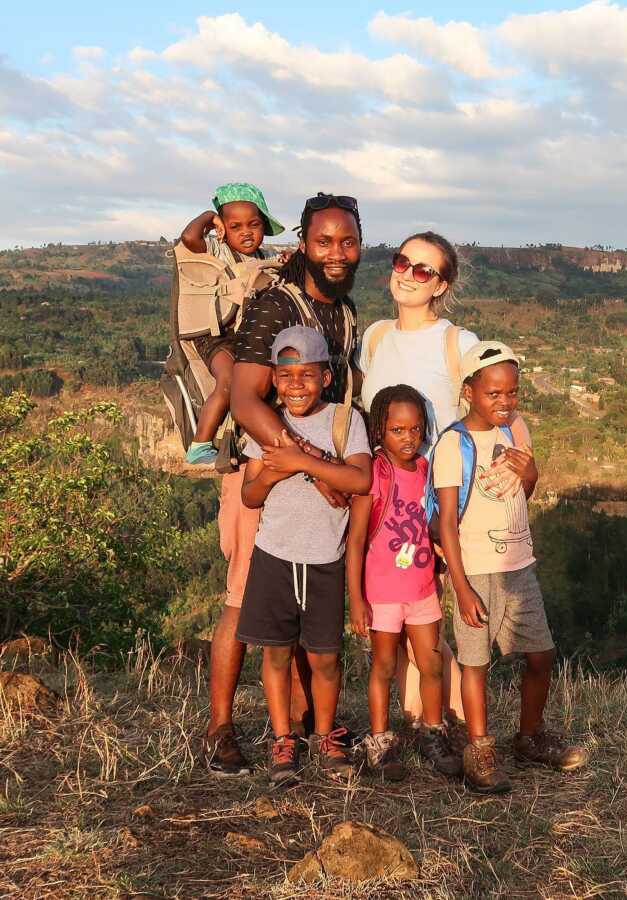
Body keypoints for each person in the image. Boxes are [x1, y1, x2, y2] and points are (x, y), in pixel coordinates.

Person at [201, 193, 362, 776]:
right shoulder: (276, 305)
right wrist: (314, 463)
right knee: (245, 599)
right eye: (325, 241)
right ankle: (220, 728)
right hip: (263, 473)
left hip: (315, 488)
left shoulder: (343, 314)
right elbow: (245, 398)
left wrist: (329, 470)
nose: (337, 252)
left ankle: (292, 732)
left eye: (348, 241)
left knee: (298, 611)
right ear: (303, 243)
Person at [358, 232, 525, 727]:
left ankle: (450, 723)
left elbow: (503, 408)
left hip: (439, 506)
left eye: (423, 270)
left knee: (432, 621)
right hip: (389, 504)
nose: (408, 274)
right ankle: (422, 719)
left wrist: (522, 462)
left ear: (441, 285)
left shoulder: (458, 343)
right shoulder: (374, 337)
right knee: (402, 613)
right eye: (402, 262)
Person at [431, 341, 589, 793]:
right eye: (493, 393)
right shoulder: (453, 445)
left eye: (512, 393)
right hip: (476, 570)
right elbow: (445, 521)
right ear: (468, 391)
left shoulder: (513, 432)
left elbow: (523, 495)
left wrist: (531, 474)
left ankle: (529, 736)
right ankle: (479, 750)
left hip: (520, 564)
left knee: (541, 655)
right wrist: (460, 588)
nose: (505, 402)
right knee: (476, 663)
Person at [238, 327, 371, 783]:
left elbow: (359, 481)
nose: (296, 384)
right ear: (273, 379)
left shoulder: (344, 420)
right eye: (286, 374)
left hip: (324, 559)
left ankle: (325, 735)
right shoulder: (268, 425)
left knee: (325, 657)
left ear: (326, 377)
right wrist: (272, 476)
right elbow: (251, 495)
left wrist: (300, 462)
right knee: (276, 653)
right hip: (274, 555)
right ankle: (282, 738)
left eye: (307, 374)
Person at [346, 385, 462, 781]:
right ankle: (380, 740)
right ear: (380, 430)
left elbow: (431, 521)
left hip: (421, 588)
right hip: (381, 592)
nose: (408, 438)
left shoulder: (427, 471)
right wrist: (355, 598)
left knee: (430, 662)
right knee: (382, 665)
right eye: (397, 430)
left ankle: (433, 732)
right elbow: (356, 541)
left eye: (415, 429)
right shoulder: (374, 474)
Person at [179, 182, 286, 465]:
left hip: (248, 337)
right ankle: (200, 445)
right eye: (235, 226)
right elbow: (189, 237)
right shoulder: (217, 249)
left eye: (253, 224)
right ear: (222, 228)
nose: (246, 232)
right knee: (229, 381)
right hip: (215, 335)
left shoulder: (266, 257)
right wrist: (208, 217)